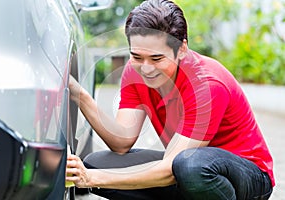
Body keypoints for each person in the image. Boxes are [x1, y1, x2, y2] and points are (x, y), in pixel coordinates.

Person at [66, 0, 274, 199]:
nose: (146, 68)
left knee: (190, 167)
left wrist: (92, 179)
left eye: (157, 58)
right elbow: (121, 142)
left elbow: (171, 169)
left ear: (181, 49)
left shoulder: (207, 84)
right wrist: (79, 94)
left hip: (246, 177)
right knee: (97, 164)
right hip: (186, 170)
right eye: (137, 56)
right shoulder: (134, 72)